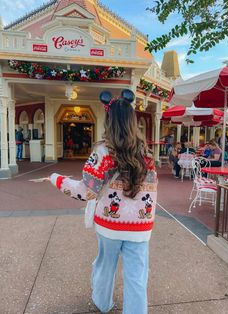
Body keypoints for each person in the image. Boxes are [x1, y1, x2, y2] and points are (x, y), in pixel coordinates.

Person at [46, 89, 158, 313]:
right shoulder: (146, 152)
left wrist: (57, 179)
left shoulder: (103, 151)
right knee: (137, 276)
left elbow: (85, 191)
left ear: (109, 120)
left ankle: (103, 303)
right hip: (141, 226)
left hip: (110, 224)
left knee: (105, 266)